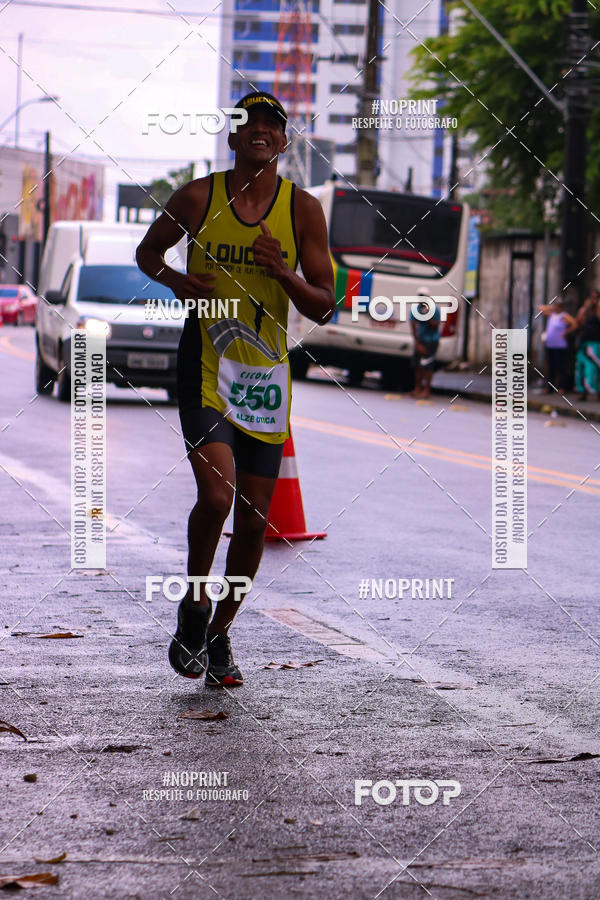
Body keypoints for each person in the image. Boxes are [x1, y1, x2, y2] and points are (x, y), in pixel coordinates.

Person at [136, 91, 335, 687]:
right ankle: (195, 605)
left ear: (283, 142)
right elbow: (148, 253)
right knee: (218, 499)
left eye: (273, 125)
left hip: (266, 378)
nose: (261, 132)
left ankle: (220, 634)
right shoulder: (199, 196)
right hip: (206, 368)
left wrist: (283, 273)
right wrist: (178, 281)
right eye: (249, 122)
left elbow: (326, 306)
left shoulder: (303, 211)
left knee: (252, 523)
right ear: (233, 137)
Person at [538, 299, 577, 394]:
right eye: (556, 306)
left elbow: (575, 324)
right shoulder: (552, 315)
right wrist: (552, 307)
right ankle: (550, 388)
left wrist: (566, 333)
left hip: (560, 345)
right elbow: (541, 309)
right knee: (551, 367)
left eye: (558, 306)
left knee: (561, 367)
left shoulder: (564, 316)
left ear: (562, 307)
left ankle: (562, 387)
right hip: (550, 345)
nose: (556, 308)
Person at [410, 289, 441, 399]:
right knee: (417, 365)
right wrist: (417, 343)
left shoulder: (434, 310)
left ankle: (426, 389)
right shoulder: (415, 310)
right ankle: (417, 388)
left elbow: (436, 326)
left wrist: (427, 316)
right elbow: (413, 326)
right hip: (421, 339)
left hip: (431, 340)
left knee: (428, 366)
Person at [574, 289, 600, 400]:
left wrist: (597, 306)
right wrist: (584, 309)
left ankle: (597, 391)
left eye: (596, 298)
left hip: (595, 342)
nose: (593, 300)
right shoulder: (585, 311)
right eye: (592, 297)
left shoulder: (598, 310)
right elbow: (577, 323)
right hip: (584, 342)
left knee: (594, 367)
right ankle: (582, 391)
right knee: (581, 367)